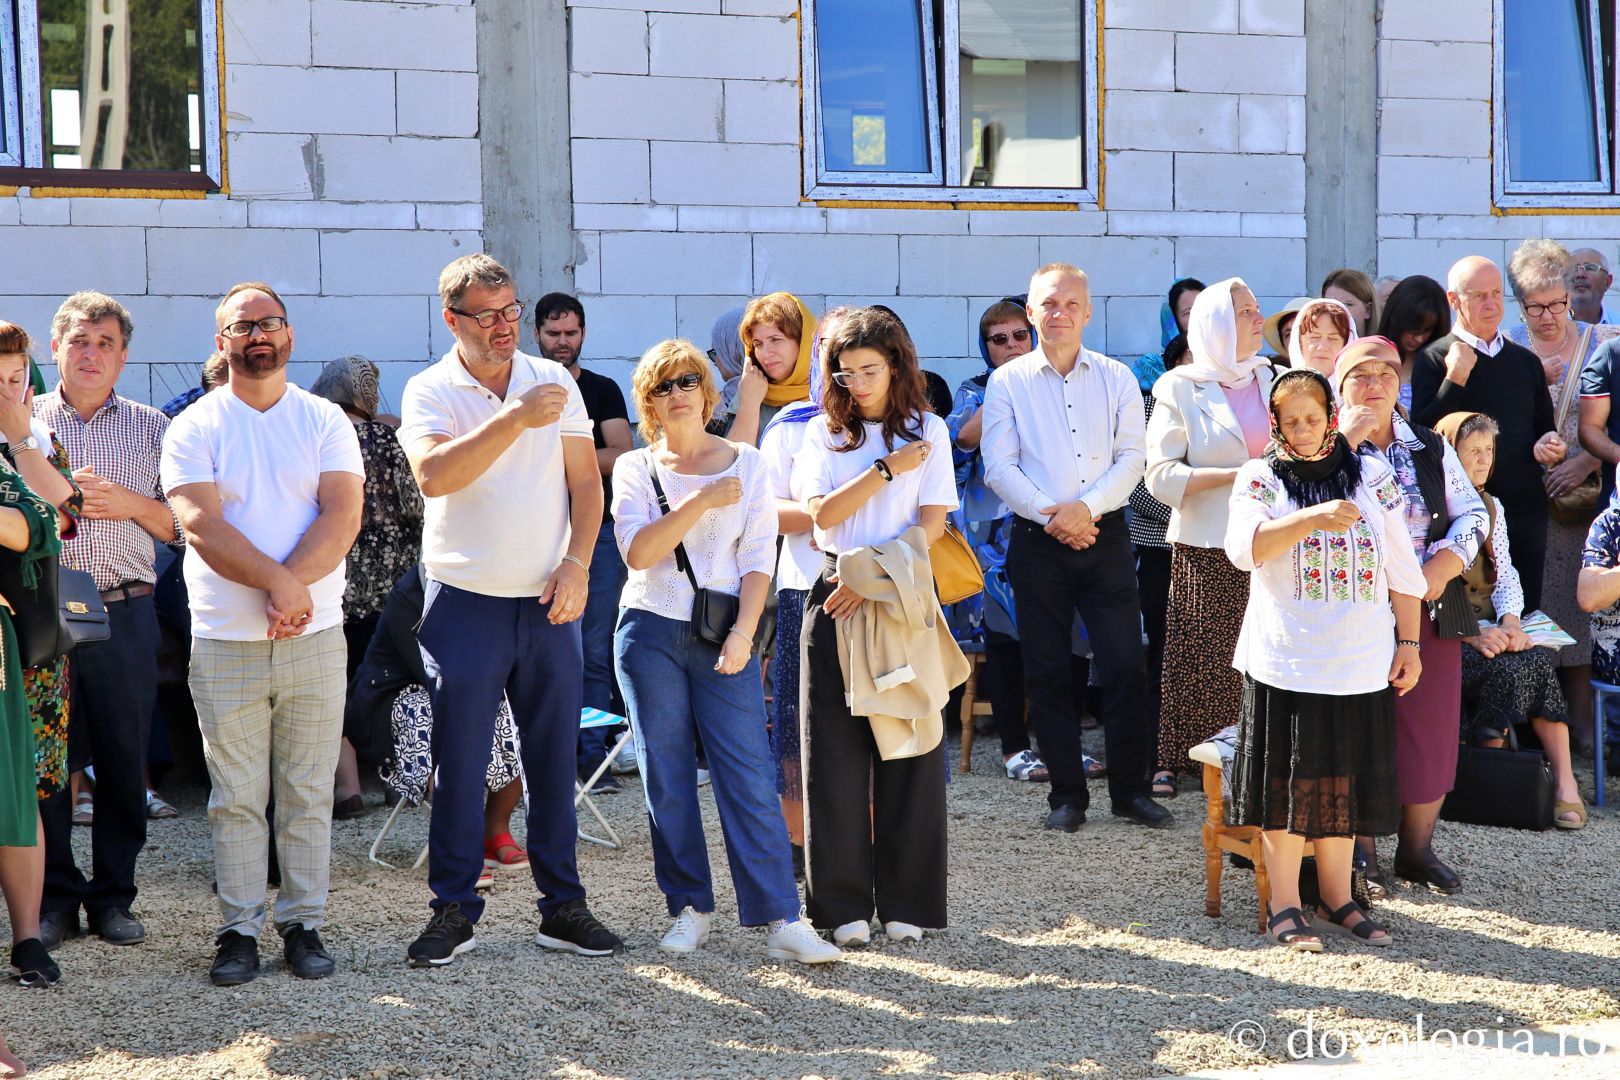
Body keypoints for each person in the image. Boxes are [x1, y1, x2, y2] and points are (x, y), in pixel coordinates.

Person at [397, 254, 622, 967]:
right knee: (460, 765)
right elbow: (435, 476)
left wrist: (579, 562)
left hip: (550, 597)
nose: (503, 327)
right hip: (465, 600)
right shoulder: (431, 388)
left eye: (510, 311)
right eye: (487, 315)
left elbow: (586, 485)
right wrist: (514, 419)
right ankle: (455, 910)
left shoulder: (553, 380)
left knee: (554, 762)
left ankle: (562, 906)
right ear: (451, 319)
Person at [162, 282, 364, 986]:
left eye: (270, 323)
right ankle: (238, 930)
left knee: (308, 791)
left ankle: (303, 924)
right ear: (223, 341)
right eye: (243, 326)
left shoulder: (325, 420)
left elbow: (341, 517)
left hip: (315, 636)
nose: (259, 335)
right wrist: (283, 588)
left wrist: (292, 593)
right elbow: (201, 523)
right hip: (226, 640)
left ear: (290, 335)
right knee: (237, 796)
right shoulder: (193, 426)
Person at [611, 339, 838, 963]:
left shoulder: (747, 461)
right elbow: (639, 553)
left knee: (747, 770)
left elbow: (758, 559)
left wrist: (743, 635)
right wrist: (700, 502)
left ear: (709, 393)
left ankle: (782, 917)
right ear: (648, 403)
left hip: (724, 633)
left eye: (687, 381)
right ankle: (689, 907)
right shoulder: (635, 468)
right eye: (662, 387)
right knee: (667, 773)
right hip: (649, 631)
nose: (677, 393)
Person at [1226, 368, 1421, 951]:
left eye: (1314, 419)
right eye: (1292, 422)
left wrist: (1408, 644)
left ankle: (1338, 897)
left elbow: (1403, 567)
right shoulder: (1260, 477)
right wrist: (1310, 516)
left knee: (1344, 781)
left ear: (1331, 417)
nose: (1305, 431)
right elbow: (1245, 550)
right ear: (1278, 426)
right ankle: (1284, 901)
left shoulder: (1373, 475)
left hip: (1361, 657)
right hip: (1289, 658)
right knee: (1287, 781)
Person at [795, 306, 967, 944]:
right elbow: (822, 518)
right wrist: (885, 469)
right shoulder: (821, 435)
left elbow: (933, 523)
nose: (857, 384)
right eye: (844, 374)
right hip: (834, 596)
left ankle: (909, 905)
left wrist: (872, 577)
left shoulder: (931, 430)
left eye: (869, 369)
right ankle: (838, 909)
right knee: (832, 758)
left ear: (897, 365)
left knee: (913, 747)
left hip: (896, 595)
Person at [983, 263, 1165, 831]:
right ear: (1031, 312)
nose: (1058, 313)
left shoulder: (1115, 379)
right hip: (1038, 544)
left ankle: (1131, 791)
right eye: (1047, 304)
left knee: (1123, 667)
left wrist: (1084, 511)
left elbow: (1132, 459)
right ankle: (1066, 797)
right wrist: (1055, 515)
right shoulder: (1006, 382)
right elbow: (998, 467)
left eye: (1069, 304)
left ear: (1087, 312)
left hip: (1104, 538)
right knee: (1048, 671)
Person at [34, 293, 172, 962]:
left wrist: (131, 504)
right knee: (49, 762)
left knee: (122, 757)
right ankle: (56, 897)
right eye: (79, 341)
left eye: (105, 343)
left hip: (123, 607)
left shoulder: (151, 428)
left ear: (124, 355)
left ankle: (115, 896)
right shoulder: (19, 422)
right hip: (43, 609)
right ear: (54, 348)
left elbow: (184, 525)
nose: (91, 354)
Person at [1338, 337, 1487, 897]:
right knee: (1357, 728)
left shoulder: (1427, 445)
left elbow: (1471, 510)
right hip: (1352, 607)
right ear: (1339, 386)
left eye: (1384, 373)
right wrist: (1343, 444)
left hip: (1431, 600)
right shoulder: (1323, 449)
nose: (1373, 385)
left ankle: (1417, 851)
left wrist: (1443, 567)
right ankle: (1362, 854)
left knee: (1429, 729)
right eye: (1359, 375)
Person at [1145, 278, 1277, 798]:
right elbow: (1160, 477)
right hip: (1208, 543)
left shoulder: (1277, 378)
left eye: (1256, 308)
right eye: (1245, 311)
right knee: (1204, 655)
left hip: (1271, 540)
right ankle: (1187, 757)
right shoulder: (1178, 386)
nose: (1256, 318)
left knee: (1262, 652)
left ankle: (1252, 754)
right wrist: (1238, 474)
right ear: (1217, 322)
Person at [1435, 411, 1585, 829]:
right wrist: (1471, 635)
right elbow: (1422, 585)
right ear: (1448, 454)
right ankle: (1486, 774)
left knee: (1535, 659)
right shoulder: (1428, 509)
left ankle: (1564, 784)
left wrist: (1511, 623)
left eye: (1489, 450)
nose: (1483, 460)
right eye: (1472, 451)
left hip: (1490, 629)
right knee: (1501, 670)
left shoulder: (1491, 506)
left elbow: (1506, 574)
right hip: (1444, 635)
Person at [1506, 240, 1620, 755]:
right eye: (1535, 305)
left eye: (1556, 303)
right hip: (1532, 507)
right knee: (1539, 617)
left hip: (1589, 508)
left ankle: (1587, 737)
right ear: (1520, 304)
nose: (1548, 315)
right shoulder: (1508, 349)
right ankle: (1544, 736)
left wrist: (1588, 459)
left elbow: (1610, 422)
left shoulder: (1606, 341)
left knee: (1583, 620)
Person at [1412, 255, 1566, 612]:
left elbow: (1544, 429)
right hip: (1462, 516)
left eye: (1496, 293)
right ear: (1454, 300)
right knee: (1469, 621)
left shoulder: (1525, 361)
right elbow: (1421, 435)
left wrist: (1549, 445)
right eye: (1478, 295)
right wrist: (1456, 378)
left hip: (1524, 509)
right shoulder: (1435, 359)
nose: (1491, 303)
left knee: (1524, 618)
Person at [0, 321, 80, 988]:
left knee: (21, 792)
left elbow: (61, 514)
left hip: (22, 649)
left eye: (16, 378)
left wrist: (19, 435)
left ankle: (29, 936)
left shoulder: (30, 445)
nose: (7, 390)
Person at [309, 356, 424, 821]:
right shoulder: (392, 439)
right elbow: (418, 506)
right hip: (395, 588)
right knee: (395, 682)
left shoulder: (321, 441)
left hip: (338, 585)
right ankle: (401, 782)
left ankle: (348, 790)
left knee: (338, 686)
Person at [534, 292, 634, 796]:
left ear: (583, 334)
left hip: (599, 537)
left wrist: (561, 458)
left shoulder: (603, 388)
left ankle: (594, 763)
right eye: (553, 334)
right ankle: (546, 763)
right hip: (535, 537)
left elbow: (622, 453)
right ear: (537, 335)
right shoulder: (524, 389)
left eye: (570, 333)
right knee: (541, 653)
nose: (562, 342)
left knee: (595, 649)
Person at [759, 307, 849, 861]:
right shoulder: (792, 421)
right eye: (829, 353)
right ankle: (797, 842)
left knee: (872, 716)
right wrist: (830, 517)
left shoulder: (897, 422)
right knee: (797, 720)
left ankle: (865, 837)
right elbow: (765, 510)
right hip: (804, 589)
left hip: (878, 585)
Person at [948, 298, 1046, 780]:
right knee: (1005, 643)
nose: (1010, 346)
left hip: (1052, 528)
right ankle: (1014, 748)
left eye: (1018, 336)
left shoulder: (1060, 386)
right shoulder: (976, 390)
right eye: (998, 339)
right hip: (994, 542)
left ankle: (1058, 744)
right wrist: (1003, 397)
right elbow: (955, 448)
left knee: (1060, 641)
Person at [1130, 332, 1189, 766]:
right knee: (1164, 654)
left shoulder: (1237, 406)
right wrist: (1196, 517)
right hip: (1160, 549)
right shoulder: (1149, 410)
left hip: (1223, 551)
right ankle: (1158, 756)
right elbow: (1139, 487)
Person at [723, 293, 817, 447]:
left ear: (803, 342)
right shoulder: (751, 390)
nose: (766, 353)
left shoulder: (832, 391)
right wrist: (749, 405)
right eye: (758, 344)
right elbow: (733, 464)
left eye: (776, 340)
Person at [1376, 275, 1450, 411]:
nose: (1419, 339)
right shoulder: (1371, 356)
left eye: (1427, 330)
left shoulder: (1442, 364)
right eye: (1413, 330)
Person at [1132, 279, 1204, 392]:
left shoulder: (1229, 363)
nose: (1199, 316)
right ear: (1173, 320)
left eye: (1204, 309)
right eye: (1188, 312)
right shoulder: (1150, 367)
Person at [1286, 298, 1355, 377]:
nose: (1322, 347)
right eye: (1314, 337)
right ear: (1299, 341)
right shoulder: (1281, 388)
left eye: (1333, 338)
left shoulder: (1363, 388)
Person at [1321, 268, 1377, 335]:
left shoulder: (1381, 345)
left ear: (1368, 310)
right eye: (1330, 304)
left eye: (1348, 304)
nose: (1336, 311)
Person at [1568, 247, 1614, 326]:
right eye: (1573, 269)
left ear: (1607, 282)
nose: (1580, 275)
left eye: (1590, 268)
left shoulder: (1617, 324)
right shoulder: (1547, 324)